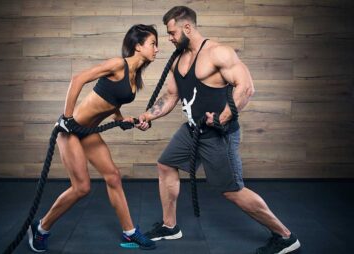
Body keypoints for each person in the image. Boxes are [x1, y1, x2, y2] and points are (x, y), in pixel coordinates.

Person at [137, 6, 301, 254]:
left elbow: (245, 87)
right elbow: (171, 96)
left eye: (172, 33)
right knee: (166, 164)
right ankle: (170, 226)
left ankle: (285, 236)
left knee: (232, 191)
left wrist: (223, 117)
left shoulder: (218, 53)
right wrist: (149, 115)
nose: (169, 38)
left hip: (218, 135)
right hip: (192, 130)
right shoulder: (178, 60)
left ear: (187, 28)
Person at [27, 24, 158, 252]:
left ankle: (130, 232)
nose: (157, 49)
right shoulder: (118, 65)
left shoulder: (135, 76)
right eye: (153, 44)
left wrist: (121, 119)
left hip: (88, 133)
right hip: (70, 131)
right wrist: (66, 117)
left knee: (114, 177)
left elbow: (111, 100)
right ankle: (40, 229)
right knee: (82, 187)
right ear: (138, 46)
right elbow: (78, 79)